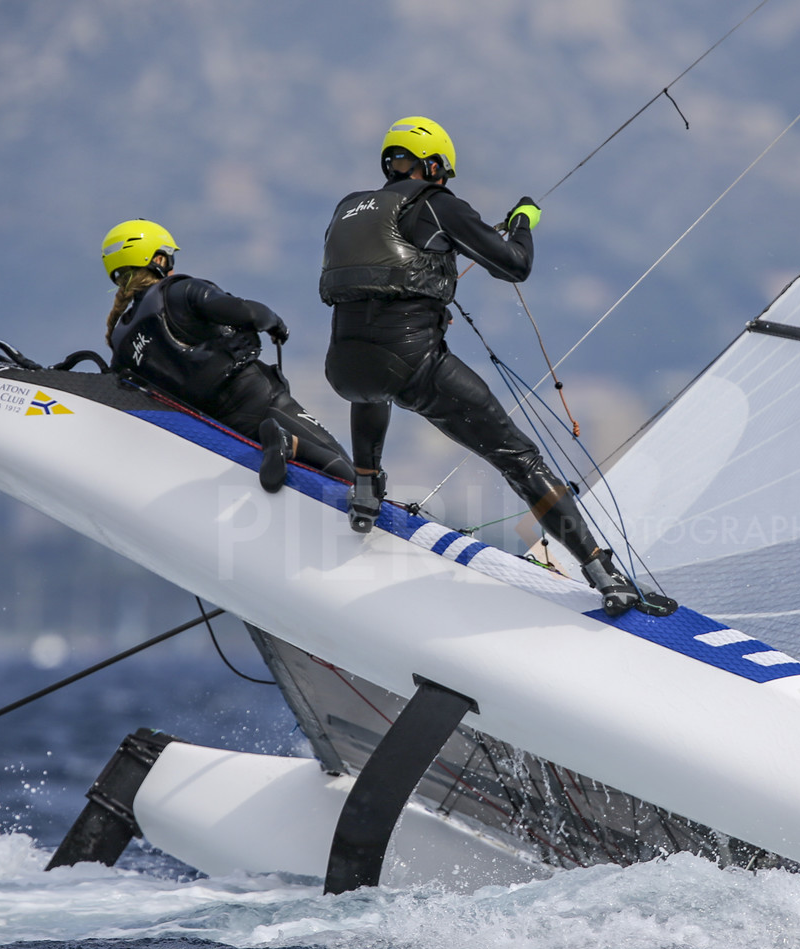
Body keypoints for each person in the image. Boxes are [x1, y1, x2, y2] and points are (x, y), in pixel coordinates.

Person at [319, 117, 674, 617]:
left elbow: (375, 283)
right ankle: (603, 573)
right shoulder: (437, 204)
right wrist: (523, 222)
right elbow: (514, 265)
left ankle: (364, 489)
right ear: (435, 167)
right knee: (520, 458)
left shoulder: (348, 209)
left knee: (373, 381)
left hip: (343, 368)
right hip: (414, 364)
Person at [102, 219, 352, 491]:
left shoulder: (120, 342)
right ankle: (288, 442)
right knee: (347, 473)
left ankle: (284, 447)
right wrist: (275, 323)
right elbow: (251, 314)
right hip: (257, 398)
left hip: (216, 429)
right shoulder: (177, 291)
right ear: (158, 259)